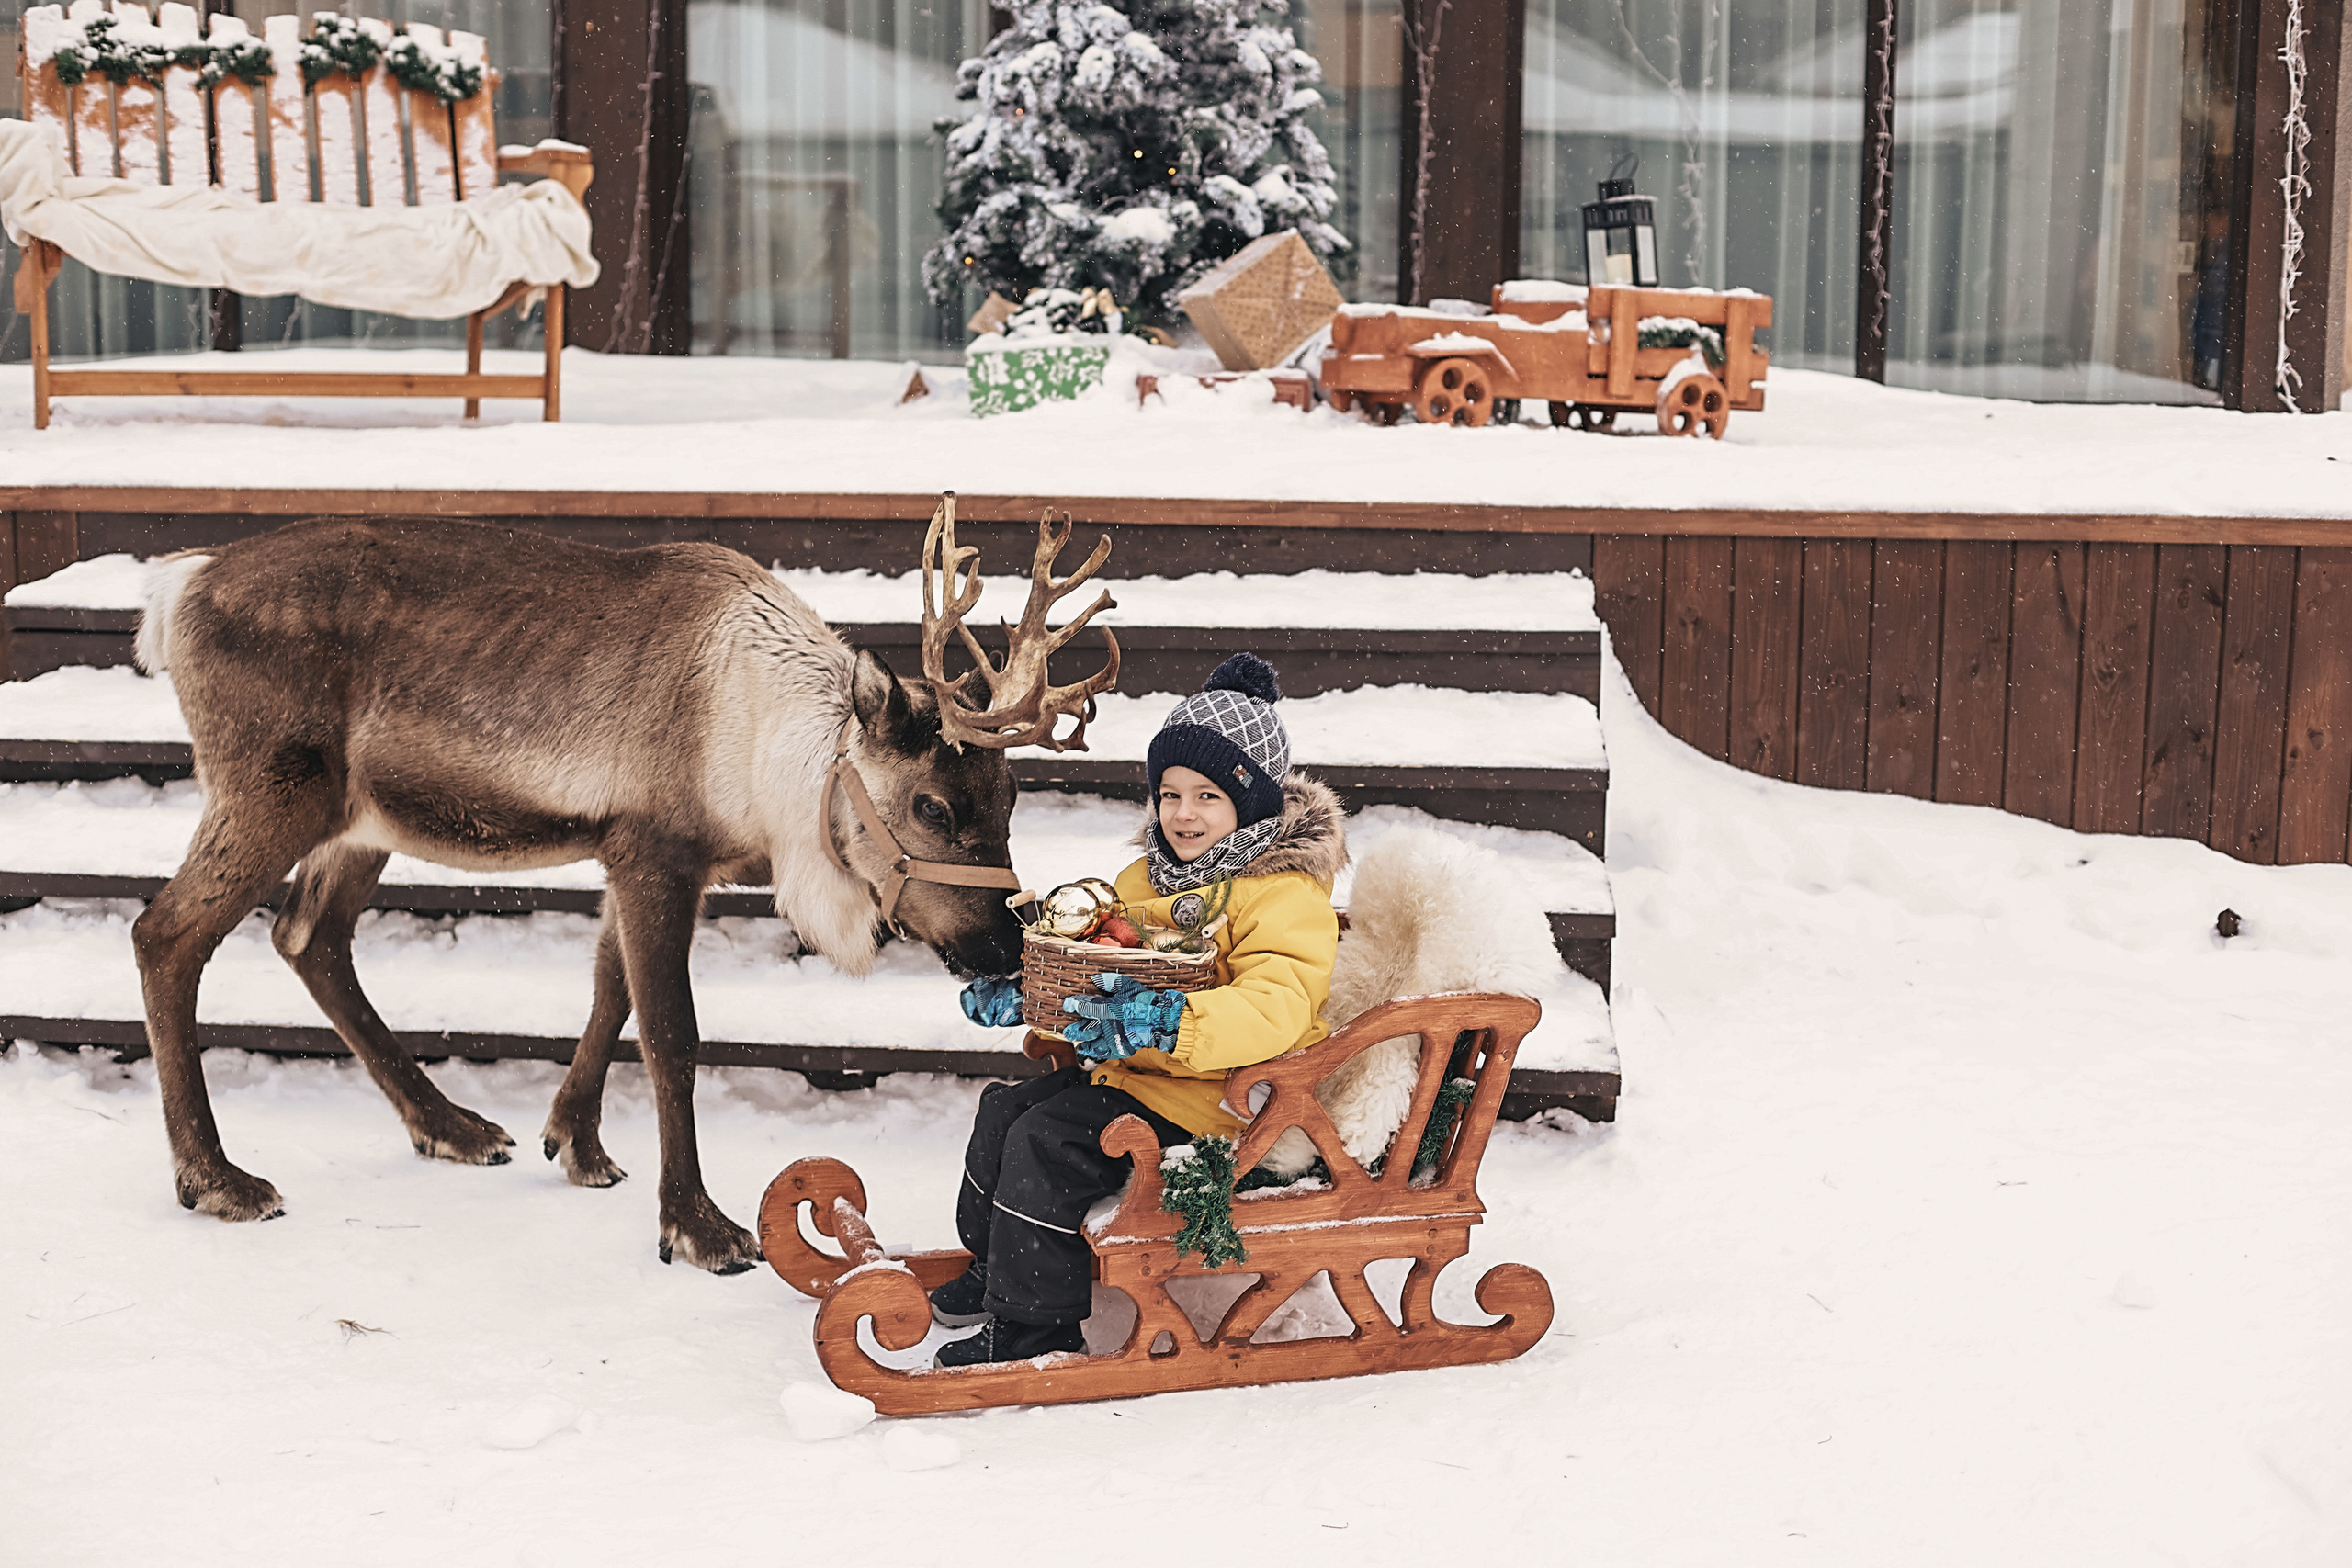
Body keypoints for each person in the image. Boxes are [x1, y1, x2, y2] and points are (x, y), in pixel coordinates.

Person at [936, 653, 1345, 1366]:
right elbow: (1098, 962)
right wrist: (1036, 998)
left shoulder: (1285, 895)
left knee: (1047, 1143)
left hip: (1218, 1101)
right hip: (1135, 1074)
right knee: (1005, 1112)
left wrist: (1172, 1022)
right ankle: (998, 1265)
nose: (1182, 814)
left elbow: (1275, 1006)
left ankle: (1035, 1330)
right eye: (1170, 793)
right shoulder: (1142, 878)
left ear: (1249, 803)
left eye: (1208, 796)